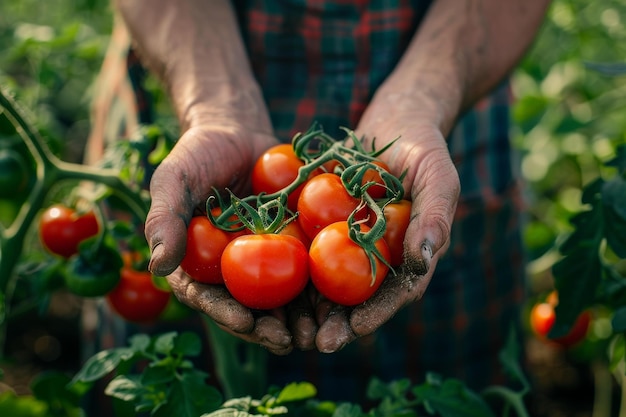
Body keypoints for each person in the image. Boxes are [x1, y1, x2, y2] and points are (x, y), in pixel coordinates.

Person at [88, 0, 551, 403]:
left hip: (447, 92)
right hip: (188, 59)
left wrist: (424, 96)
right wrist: (215, 105)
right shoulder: (341, 220)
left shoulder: (307, 210)